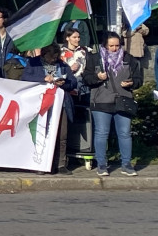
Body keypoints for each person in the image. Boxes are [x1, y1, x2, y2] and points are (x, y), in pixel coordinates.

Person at [84, 31, 142, 177]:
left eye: (117, 45)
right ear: (105, 45)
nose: (115, 49)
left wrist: (132, 83)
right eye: (111, 46)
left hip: (123, 100)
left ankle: (126, 164)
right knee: (102, 133)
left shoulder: (128, 59)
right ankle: (102, 165)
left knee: (125, 134)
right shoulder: (95, 58)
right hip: (101, 101)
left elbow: (138, 79)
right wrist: (97, 77)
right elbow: (86, 78)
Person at [21, 44, 74, 174]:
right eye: (51, 58)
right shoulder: (33, 63)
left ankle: (60, 164)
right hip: (41, 105)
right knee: (41, 134)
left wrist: (64, 83)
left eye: (55, 58)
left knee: (62, 135)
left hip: (60, 104)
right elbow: (25, 78)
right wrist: (42, 79)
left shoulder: (63, 65)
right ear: (44, 55)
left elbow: (73, 82)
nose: (53, 60)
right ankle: (41, 164)